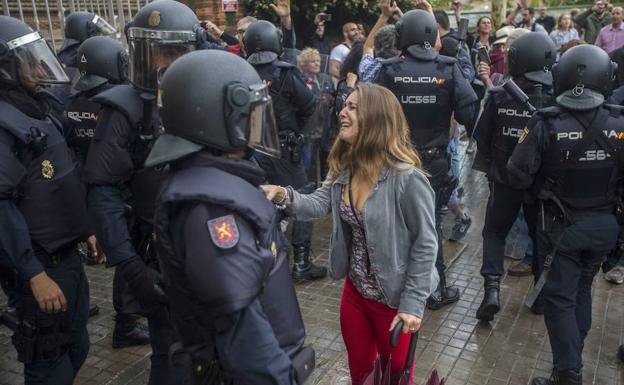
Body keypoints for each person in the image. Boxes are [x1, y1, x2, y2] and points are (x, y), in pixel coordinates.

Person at [144, 49, 315, 385]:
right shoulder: (211, 209)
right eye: (250, 114)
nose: (257, 123)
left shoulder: (207, 184)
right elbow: (244, 335)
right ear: (217, 118)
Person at [261, 82, 438, 385]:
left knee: (395, 379)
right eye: (344, 105)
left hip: (393, 303)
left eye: (352, 107)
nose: (341, 112)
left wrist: (412, 306)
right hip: (354, 296)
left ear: (376, 118)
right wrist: (281, 194)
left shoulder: (407, 179)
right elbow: (318, 204)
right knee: (361, 375)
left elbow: (426, 245)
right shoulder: (346, 166)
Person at [83, 1, 205, 383]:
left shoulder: (205, 95)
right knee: (169, 353)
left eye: (172, 52)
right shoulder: (125, 110)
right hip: (156, 251)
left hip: (207, 244)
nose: (161, 64)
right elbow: (102, 188)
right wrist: (129, 264)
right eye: (153, 53)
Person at [507, 44, 624, 385]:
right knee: (582, 291)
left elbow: (517, 172)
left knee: (559, 298)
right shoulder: (619, 122)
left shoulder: (546, 122)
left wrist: (542, 182)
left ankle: (569, 373)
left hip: (560, 230)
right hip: (605, 228)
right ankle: (568, 362)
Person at [0, 15, 90, 385]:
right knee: (49, 359)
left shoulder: (40, 106)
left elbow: (62, 175)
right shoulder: (4, 126)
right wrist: (33, 275)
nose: (39, 68)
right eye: (28, 62)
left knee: (78, 344)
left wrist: (87, 230)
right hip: (37, 265)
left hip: (67, 255)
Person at [375, 7, 479, 310]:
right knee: (428, 226)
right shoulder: (447, 68)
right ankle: (435, 290)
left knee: (396, 224)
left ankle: (392, 287)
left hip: (395, 160)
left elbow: (374, 116)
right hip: (433, 163)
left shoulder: (389, 69)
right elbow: (469, 114)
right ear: (432, 34)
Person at [65, 35, 150, 349]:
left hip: (84, 194)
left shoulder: (73, 102)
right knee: (130, 255)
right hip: (120, 195)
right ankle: (126, 323)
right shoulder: (120, 104)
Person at [472, 32, 557, 322]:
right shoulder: (556, 98)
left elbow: (481, 138)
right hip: (540, 186)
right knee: (539, 236)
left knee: (494, 232)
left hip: (504, 181)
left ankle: (492, 291)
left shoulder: (499, 94)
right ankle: (540, 296)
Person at [243, 20, 326, 281]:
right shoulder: (285, 73)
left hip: (249, 150)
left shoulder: (238, 70)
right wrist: (296, 134)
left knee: (260, 201)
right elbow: (310, 104)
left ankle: (269, 258)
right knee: (303, 199)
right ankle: (300, 263)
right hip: (283, 150)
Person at [298, 48, 334, 184]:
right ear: (305, 63)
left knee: (322, 163)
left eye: (318, 61)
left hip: (323, 129)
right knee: (306, 164)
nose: (317, 64)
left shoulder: (324, 80)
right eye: (313, 61)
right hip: (307, 131)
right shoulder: (300, 80)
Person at [358, 0, 402, 83]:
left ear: (376, 45)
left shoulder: (368, 70)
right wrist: (402, 18)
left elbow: (368, 46)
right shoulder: (412, 68)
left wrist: (384, 16)